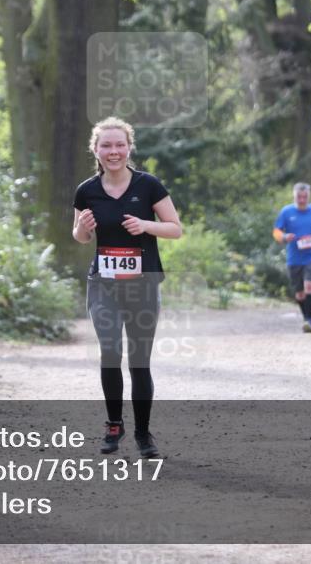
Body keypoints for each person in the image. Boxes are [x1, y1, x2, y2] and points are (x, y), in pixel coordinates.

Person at [72, 117, 182, 457]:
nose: (113, 151)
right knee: (109, 351)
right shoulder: (86, 190)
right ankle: (113, 424)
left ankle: (144, 434)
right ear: (96, 149)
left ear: (129, 148)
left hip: (143, 283)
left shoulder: (148, 185)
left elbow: (175, 228)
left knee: (138, 361)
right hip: (103, 284)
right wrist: (83, 228)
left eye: (119, 145)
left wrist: (146, 225)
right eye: (106, 145)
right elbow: (79, 236)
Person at [273, 183, 311, 333]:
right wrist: (283, 237)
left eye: (305, 197)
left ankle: (309, 320)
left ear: (309, 196)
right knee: (299, 293)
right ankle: (306, 318)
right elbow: (276, 231)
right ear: (294, 196)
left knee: (309, 285)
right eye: (299, 197)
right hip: (294, 257)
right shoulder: (286, 212)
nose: (302, 200)